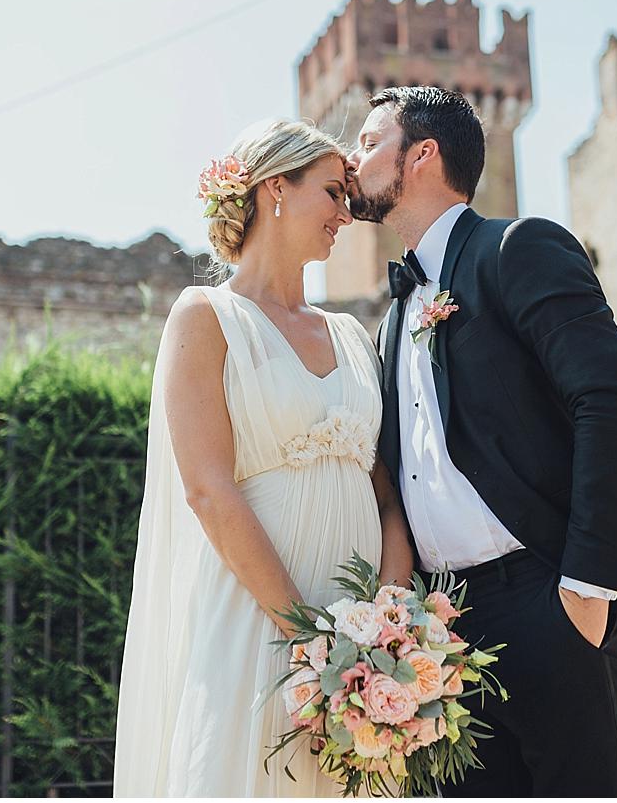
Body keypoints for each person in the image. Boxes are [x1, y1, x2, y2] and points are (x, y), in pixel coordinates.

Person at [346, 86, 617, 797]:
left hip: (551, 602)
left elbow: (615, 404)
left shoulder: (518, 248)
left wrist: (585, 590)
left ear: (422, 155)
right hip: (443, 631)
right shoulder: (391, 318)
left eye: (367, 141)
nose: (351, 159)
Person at [113, 119, 414, 797]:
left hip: (362, 634)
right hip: (259, 624)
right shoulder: (205, 317)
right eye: (333, 192)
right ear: (276, 187)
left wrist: (387, 627)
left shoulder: (352, 334)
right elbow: (209, 491)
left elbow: (388, 494)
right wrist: (309, 642)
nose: (347, 213)